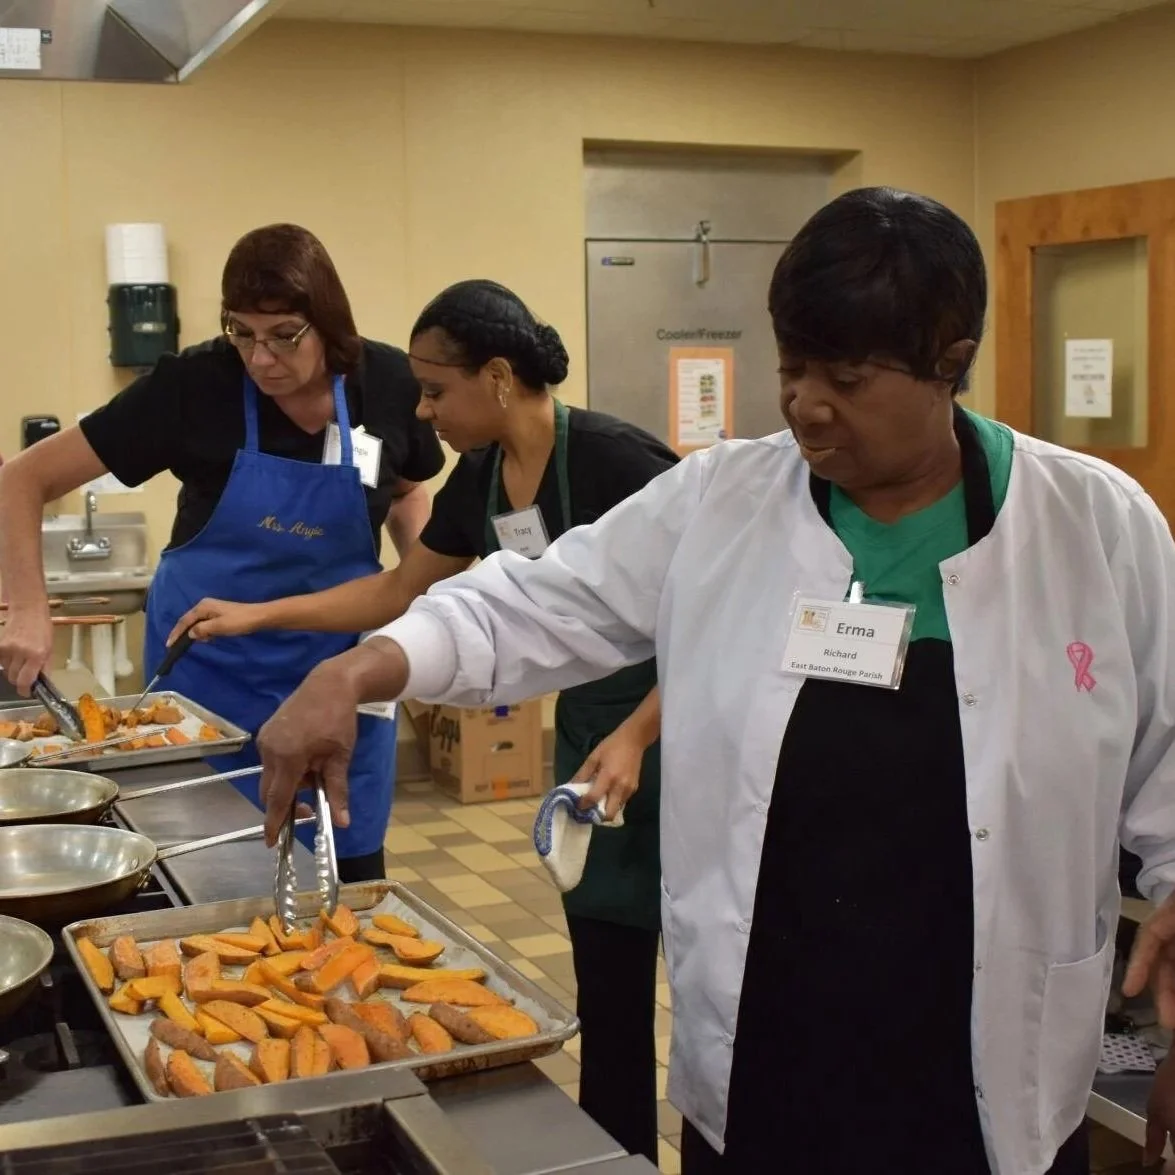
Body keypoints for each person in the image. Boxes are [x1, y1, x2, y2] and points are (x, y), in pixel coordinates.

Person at [250, 189, 1175, 1175]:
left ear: (950, 360)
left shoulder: (1093, 525)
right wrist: (362, 665)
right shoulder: (722, 500)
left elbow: (1166, 760)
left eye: (846, 378)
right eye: (791, 367)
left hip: (990, 1069)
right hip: (769, 1048)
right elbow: (530, 603)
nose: (805, 403)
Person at [166, 279, 677, 1164]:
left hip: (673, 725)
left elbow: (713, 617)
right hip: (592, 732)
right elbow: (400, 589)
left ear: (500, 376)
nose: (423, 411)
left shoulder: (618, 462)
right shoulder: (481, 475)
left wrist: (637, 732)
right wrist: (258, 614)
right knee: (608, 969)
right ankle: (615, 1150)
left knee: (704, 969)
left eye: (437, 390)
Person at [0, 223, 444, 882]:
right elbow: (21, 479)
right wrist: (28, 607)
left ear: (328, 322)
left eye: (284, 335)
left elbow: (407, 492)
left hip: (337, 675)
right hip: (208, 676)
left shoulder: (388, 384)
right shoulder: (194, 385)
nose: (260, 358)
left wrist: (422, 598)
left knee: (343, 875)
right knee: (204, 872)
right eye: (242, 332)